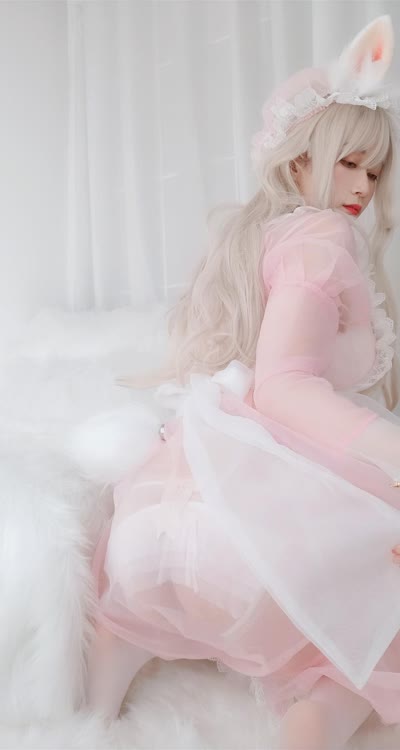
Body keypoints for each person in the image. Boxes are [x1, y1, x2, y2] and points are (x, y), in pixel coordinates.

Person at [85, 14, 400, 750]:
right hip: (256, 526)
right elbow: (285, 390)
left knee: (125, 623)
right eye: (349, 164)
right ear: (300, 161)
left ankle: (90, 711)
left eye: (376, 170)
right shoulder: (323, 240)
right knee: (375, 638)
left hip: (167, 523)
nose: (364, 186)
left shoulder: (267, 235)